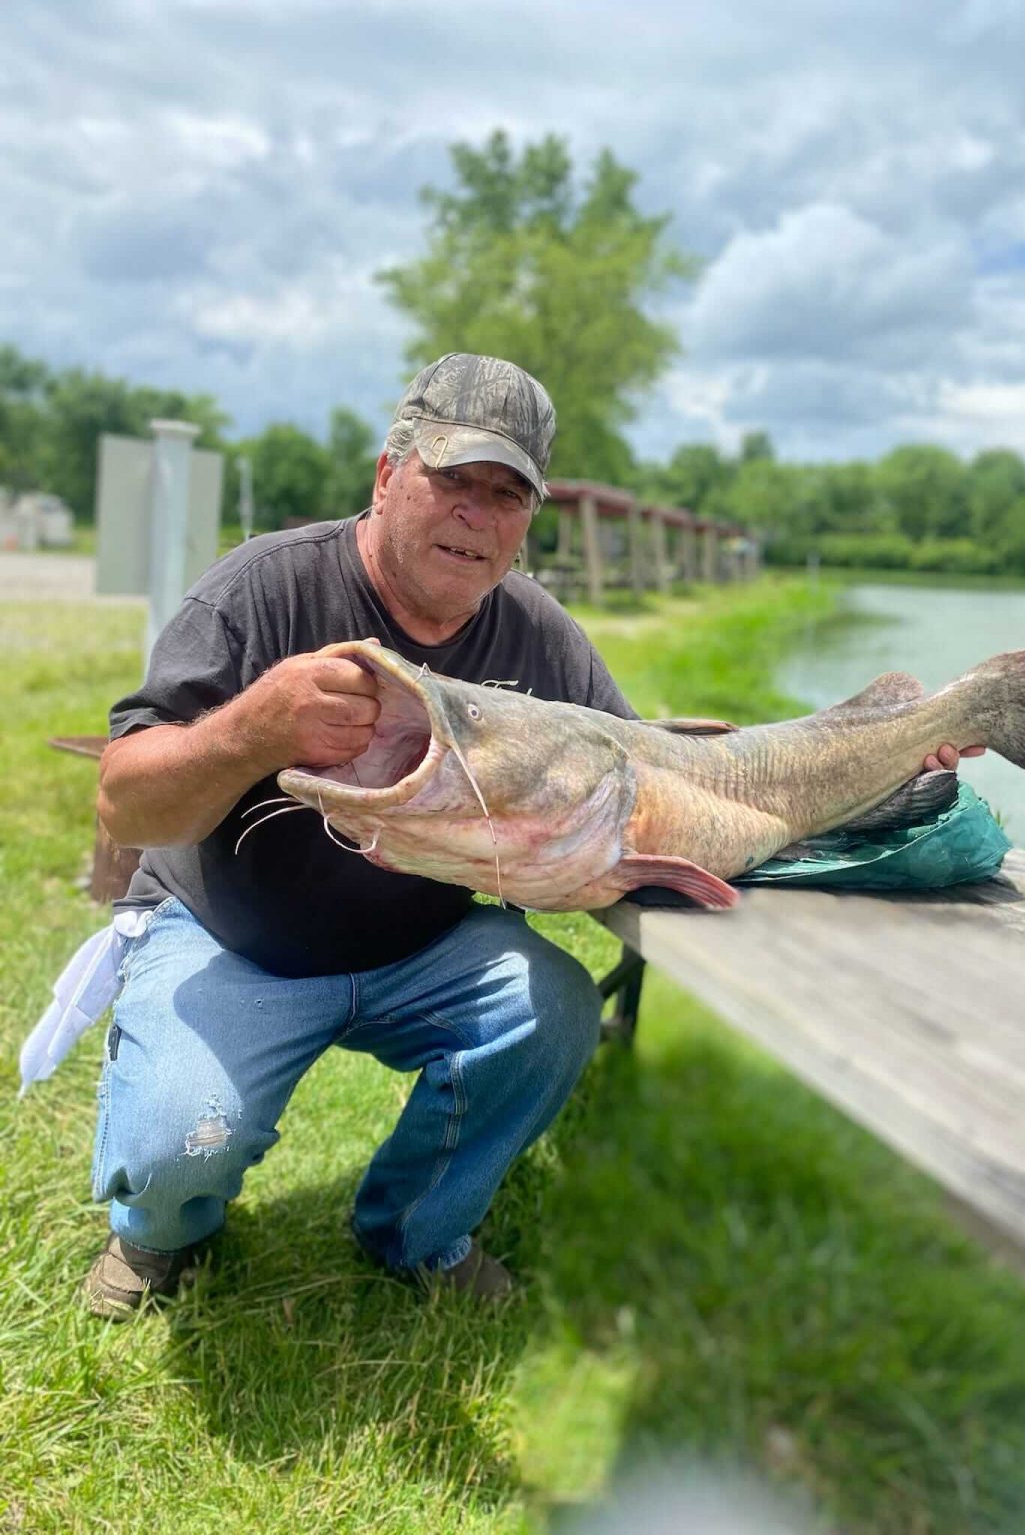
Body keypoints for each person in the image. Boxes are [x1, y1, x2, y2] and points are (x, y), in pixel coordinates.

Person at [84, 354, 637, 1317]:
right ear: (387, 476)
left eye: (507, 495)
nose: (477, 514)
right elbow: (125, 805)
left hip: (423, 945)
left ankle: (417, 1231)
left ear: (527, 520)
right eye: (453, 479)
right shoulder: (266, 588)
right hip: (230, 940)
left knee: (552, 1009)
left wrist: (864, 781)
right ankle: (160, 1236)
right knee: (179, 1144)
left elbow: (640, 775)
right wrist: (254, 727)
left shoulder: (538, 636)